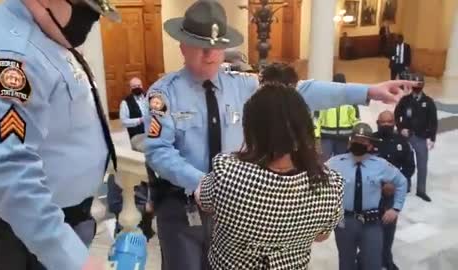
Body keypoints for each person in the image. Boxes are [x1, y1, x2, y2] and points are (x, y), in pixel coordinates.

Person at [143, 1, 416, 270]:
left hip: (239, 206)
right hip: (184, 206)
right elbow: (158, 151)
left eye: (217, 46)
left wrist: (366, 92)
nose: (210, 54)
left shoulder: (242, 85)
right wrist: (202, 183)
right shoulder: (164, 94)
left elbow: (300, 91)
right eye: (202, 47)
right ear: (182, 46)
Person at [0, 0, 120, 269]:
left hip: (62, 222)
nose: (90, 19)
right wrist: (71, 258)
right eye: (84, 6)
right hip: (33, 238)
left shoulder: (46, 31)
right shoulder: (11, 54)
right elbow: (8, 175)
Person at [194, 83, 344, 269]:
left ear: (252, 130)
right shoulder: (330, 185)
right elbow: (322, 236)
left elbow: (204, 201)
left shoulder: (227, 173)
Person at [327, 123, 407, 270]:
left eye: (363, 142)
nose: (359, 144)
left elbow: (402, 182)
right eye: (356, 140)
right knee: (346, 262)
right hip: (345, 222)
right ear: (350, 142)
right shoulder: (334, 163)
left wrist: (395, 208)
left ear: (370, 146)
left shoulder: (381, 165)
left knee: (373, 263)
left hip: (371, 223)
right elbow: (318, 183)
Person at [373, 110, 415, 270]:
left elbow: (410, 167)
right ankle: (366, 258)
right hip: (371, 193)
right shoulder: (370, 140)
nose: (386, 125)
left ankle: (386, 259)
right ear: (377, 123)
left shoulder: (402, 142)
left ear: (394, 123)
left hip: (391, 195)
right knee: (370, 229)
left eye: (389, 122)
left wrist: (395, 184)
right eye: (383, 123)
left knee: (389, 228)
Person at [395, 73, 437, 202]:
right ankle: (404, 185)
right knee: (403, 161)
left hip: (421, 136)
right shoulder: (405, 100)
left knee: (422, 164)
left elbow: (433, 121)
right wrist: (401, 128)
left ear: (423, 85)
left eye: (419, 84)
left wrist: (432, 138)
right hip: (406, 136)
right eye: (415, 84)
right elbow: (397, 114)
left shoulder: (428, 102)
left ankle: (421, 190)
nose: (417, 86)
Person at [319, 73, 360, 161]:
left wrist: (354, 137)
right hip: (326, 137)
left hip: (343, 137)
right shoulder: (324, 98)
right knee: (324, 162)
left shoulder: (350, 99)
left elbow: (356, 120)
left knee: (341, 162)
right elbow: (317, 119)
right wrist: (316, 137)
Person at [119, 77, 147, 149]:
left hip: (154, 133)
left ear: (142, 86)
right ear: (130, 88)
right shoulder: (125, 102)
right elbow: (123, 121)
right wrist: (139, 120)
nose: (137, 88)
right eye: (134, 86)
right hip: (137, 136)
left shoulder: (149, 98)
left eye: (139, 85)